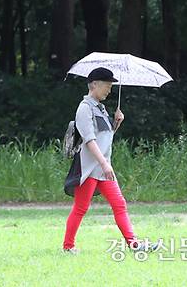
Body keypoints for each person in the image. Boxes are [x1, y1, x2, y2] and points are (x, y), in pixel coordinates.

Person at [62, 67, 158, 254]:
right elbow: (89, 140)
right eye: (107, 85)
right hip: (89, 168)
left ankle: (134, 244)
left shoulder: (101, 108)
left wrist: (116, 124)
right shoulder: (84, 108)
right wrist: (105, 164)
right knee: (81, 208)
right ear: (94, 84)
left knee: (119, 204)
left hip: (103, 169)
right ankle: (68, 247)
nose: (109, 89)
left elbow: (105, 137)